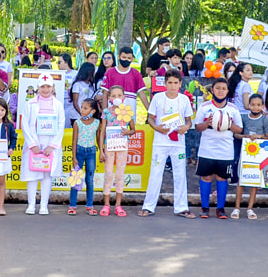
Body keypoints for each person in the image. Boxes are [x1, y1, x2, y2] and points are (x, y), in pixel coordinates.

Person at [139, 70, 195, 218]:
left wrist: (186, 127)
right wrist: (157, 128)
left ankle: (182, 207)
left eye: (175, 83)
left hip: (178, 143)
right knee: (155, 174)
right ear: (165, 83)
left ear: (180, 84)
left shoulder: (184, 99)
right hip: (160, 142)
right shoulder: (158, 98)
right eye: (169, 82)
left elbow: (189, 120)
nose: (172, 86)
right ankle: (148, 206)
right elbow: (150, 118)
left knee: (180, 174)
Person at [193, 77, 243, 219]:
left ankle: (220, 208)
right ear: (212, 90)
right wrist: (208, 123)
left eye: (223, 88)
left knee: (222, 178)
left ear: (228, 91)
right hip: (207, 149)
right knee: (206, 177)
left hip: (225, 150)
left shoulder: (233, 108)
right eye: (218, 88)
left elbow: (239, 129)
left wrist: (228, 124)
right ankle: (205, 208)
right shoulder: (205, 106)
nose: (220, 91)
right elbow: (197, 127)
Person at [21, 74, 65, 215]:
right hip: (34, 145)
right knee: (33, 174)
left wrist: (52, 145)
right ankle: (31, 204)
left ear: (53, 88)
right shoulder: (30, 104)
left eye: (48, 86)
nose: (45, 89)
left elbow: (61, 124)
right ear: (38, 88)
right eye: (42, 87)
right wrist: (32, 144)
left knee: (47, 175)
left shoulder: (58, 105)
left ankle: (44, 205)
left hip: (50, 146)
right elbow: (25, 124)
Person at [99, 85, 135, 217]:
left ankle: (118, 205)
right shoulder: (107, 112)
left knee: (120, 175)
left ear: (124, 97)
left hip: (122, 147)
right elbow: (102, 130)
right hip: (109, 146)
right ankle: (106, 204)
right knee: (108, 174)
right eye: (113, 96)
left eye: (119, 95)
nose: (117, 98)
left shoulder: (128, 112)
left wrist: (128, 132)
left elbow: (133, 129)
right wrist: (101, 150)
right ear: (109, 98)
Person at [233, 93, 268, 219]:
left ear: (262, 106)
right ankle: (237, 208)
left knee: (254, 181)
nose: (255, 107)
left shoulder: (265, 119)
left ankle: (250, 208)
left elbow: (267, 136)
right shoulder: (243, 118)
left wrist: (259, 137)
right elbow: (236, 134)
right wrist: (245, 137)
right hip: (245, 154)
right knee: (241, 181)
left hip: (259, 155)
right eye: (253, 105)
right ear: (248, 105)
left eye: (258, 105)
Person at [69, 98, 100, 215]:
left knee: (90, 179)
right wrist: (74, 157)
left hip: (91, 152)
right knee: (76, 178)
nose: (82, 110)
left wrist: (101, 151)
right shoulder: (77, 123)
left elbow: (98, 139)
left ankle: (90, 205)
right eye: (82, 107)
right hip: (80, 151)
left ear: (93, 111)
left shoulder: (97, 123)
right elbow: (74, 140)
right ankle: (72, 205)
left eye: (85, 108)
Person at [227, 62, 256, 183]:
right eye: (248, 70)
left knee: (234, 147)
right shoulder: (246, 86)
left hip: (234, 116)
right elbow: (246, 104)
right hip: (244, 117)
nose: (251, 72)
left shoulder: (237, 84)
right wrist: (258, 107)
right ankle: (235, 175)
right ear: (241, 72)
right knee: (240, 148)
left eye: (251, 70)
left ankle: (230, 174)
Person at [100, 46, 146, 116]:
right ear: (119, 57)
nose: (126, 60)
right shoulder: (110, 72)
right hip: (113, 111)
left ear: (132, 59)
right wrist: (105, 112)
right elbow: (105, 94)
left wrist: (149, 110)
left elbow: (142, 93)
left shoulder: (136, 73)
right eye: (124, 57)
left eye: (129, 58)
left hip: (130, 110)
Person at [58, 53, 78, 128]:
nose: (58, 64)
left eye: (60, 62)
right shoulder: (57, 74)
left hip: (70, 104)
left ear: (66, 62)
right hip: (59, 102)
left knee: (67, 125)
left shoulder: (76, 74)